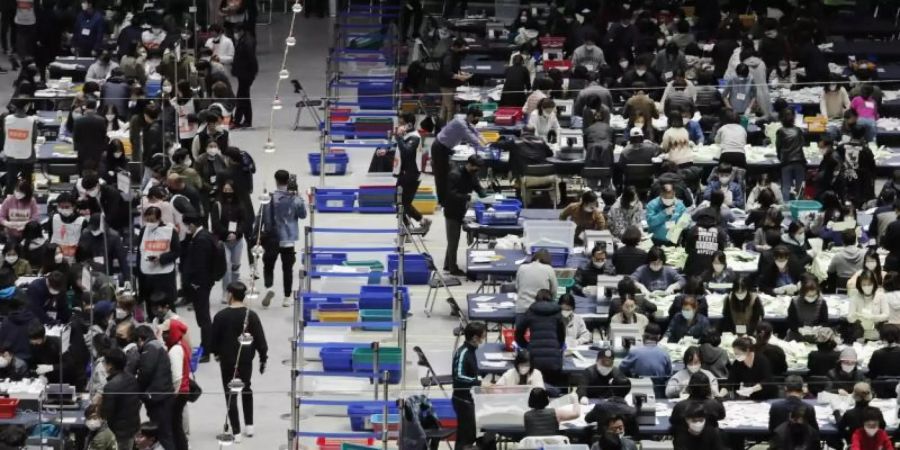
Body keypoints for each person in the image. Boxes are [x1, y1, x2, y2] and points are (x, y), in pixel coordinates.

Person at [210, 282, 267, 441]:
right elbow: (261, 340)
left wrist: (216, 353)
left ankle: (236, 432)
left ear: (230, 294)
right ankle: (250, 426)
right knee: (247, 388)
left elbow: (213, 341)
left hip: (227, 361)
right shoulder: (251, 315)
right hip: (246, 360)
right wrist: (263, 358)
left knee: (231, 394)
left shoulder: (220, 316)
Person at [258, 170, 306, 307]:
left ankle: (269, 287)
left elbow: (263, 217)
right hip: (288, 239)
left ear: (276, 180)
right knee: (287, 268)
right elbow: (303, 215)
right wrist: (300, 198)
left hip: (272, 237)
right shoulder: (294, 198)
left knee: (268, 265)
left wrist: (261, 232)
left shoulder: (270, 197)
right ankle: (287, 297)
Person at [443, 155, 485, 276]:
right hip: (452, 211)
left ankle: (447, 264)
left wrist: (487, 197)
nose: (476, 171)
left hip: (462, 209)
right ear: (469, 164)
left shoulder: (472, 175)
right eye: (475, 168)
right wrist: (467, 197)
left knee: (452, 240)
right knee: (453, 240)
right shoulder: (455, 175)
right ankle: (453, 269)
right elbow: (450, 194)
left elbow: (478, 187)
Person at [134, 325, 174, 450]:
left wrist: (138, 389)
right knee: (165, 433)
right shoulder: (157, 346)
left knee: (163, 434)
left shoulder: (149, 348)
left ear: (141, 339)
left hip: (158, 398)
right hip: (163, 396)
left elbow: (145, 373)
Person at [137, 207, 179, 312]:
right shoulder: (143, 231)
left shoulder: (170, 231)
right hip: (147, 273)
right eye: (147, 220)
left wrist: (161, 258)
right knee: (150, 303)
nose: (150, 223)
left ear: (159, 218)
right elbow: (138, 250)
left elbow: (177, 251)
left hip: (164, 273)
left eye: (152, 220)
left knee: (167, 305)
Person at [451, 322, 485, 450]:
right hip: (462, 400)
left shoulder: (472, 351)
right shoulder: (463, 352)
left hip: (470, 398)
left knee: (468, 435)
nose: (483, 340)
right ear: (475, 338)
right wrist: (478, 382)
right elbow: (459, 376)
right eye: (482, 337)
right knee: (466, 437)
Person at [158, 319, 190, 450]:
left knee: (175, 427)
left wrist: (172, 395)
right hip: (183, 391)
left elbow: (177, 377)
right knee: (177, 425)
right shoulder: (181, 344)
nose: (163, 335)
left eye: (166, 332)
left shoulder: (175, 350)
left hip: (178, 393)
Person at [100, 348, 141, 450]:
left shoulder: (111, 386)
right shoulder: (132, 378)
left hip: (118, 433)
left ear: (110, 365)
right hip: (132, 428)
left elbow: (106, 414)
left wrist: (99, 404)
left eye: (105, 362)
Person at [670, 372, 725, 446]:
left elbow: (673, 421)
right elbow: (722, 416)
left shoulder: (680, 406)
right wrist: (719, 398)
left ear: (689, 387)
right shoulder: (715, 405)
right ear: (708, 388)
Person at [1, 98, 36, 196]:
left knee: (11, 181)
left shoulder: (6, 119)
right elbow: (33, 140)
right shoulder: (31, 121)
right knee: (26, 182)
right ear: (26, 106)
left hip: (12, 156)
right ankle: (27, 200)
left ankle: (8, 202)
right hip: (27, 157)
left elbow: (5, 137)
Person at [681, 209, 726, 279]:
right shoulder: (720, 231)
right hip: (712, 269)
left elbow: (687, 250)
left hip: (693, 269)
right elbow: (721, 251)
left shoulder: (693, 230)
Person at [776, 108, 807, 201]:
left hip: (786, 162)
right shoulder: (798, 130)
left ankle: (785, 207)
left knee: (786, 186)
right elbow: (802, 144)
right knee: (800, 187)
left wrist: (779, 157)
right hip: (799, 161)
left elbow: (778, 146)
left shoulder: (780, 131)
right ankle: (800, 205)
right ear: (794, 118)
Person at [848, 270, 888, 341]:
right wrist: (854, 317)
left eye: (869, 284)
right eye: (864, 285)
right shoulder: (855, 297)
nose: (867, 287)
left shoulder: (881, 296)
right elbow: (850, 318)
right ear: (860, 285)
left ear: (874, 284)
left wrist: (873, 317)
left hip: (877, 328)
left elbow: (887, 315)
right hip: (860, 330)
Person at [438, 38, 471, 123]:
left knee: (445, 105)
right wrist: (459, 77)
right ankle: (448, 126)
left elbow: (455, 68)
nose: (463, 49)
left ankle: (442, 124)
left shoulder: (455, 53)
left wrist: (462, 74)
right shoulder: (448, 56)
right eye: (462, 48)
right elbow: (447, 72)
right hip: (446, 85)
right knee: (450, 107)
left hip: (452, 84)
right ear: (456, 47)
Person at [230, 23, 257, 128]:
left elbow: (251, 59)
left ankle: (238, 121)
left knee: (242, 97)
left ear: (241, 31)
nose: (235, 34)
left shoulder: (247, 42)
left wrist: (251, 72)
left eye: (236, 31)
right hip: (244, 73)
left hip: (246, 73)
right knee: (244, 97)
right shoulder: (244, 40)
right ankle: (246, 120)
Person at [72, 96, 108, 172]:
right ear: (95, 107)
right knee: (95, 169)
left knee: (82, 170)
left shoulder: (78, 121)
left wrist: (76, 149)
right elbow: (103, 136)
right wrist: (104, 149)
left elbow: (76, 137)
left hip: (82, 150)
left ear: (85, 107)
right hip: (97, 150)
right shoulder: (101, 120)